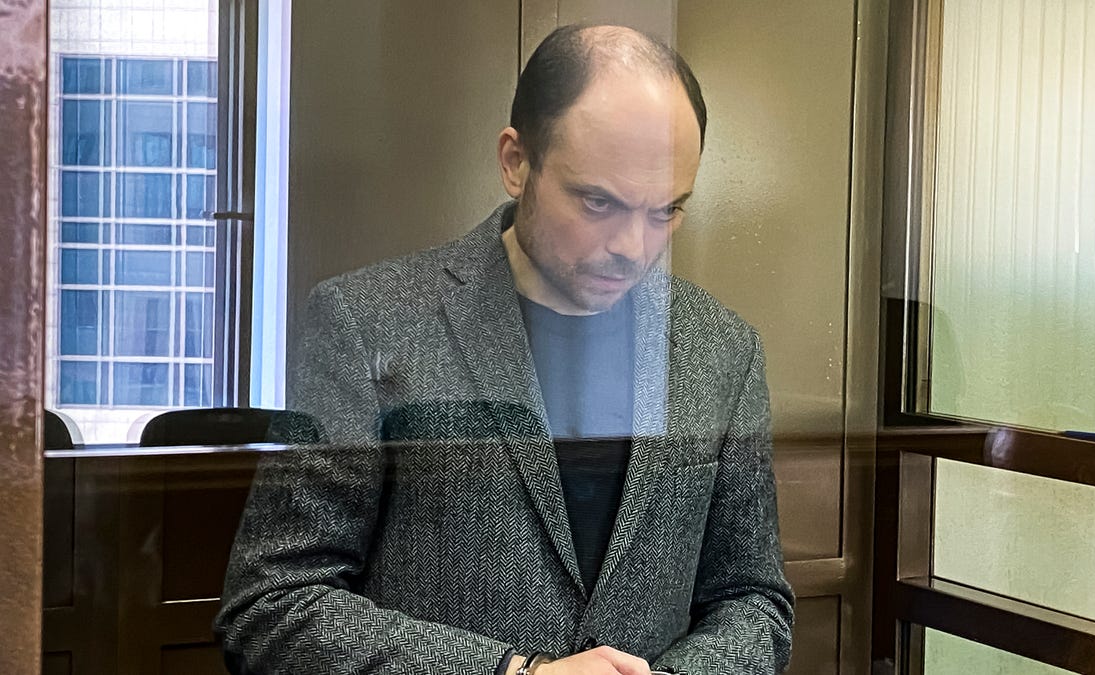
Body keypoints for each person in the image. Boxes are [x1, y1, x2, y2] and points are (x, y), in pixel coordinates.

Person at [215, 24, 794, 675]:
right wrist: (515, 673)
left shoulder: (722, 347)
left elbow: (753, 601)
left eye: (666, 210)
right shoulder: (368, 322)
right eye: (598, 202)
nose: (633, 247)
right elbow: (272, 605)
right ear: (516, 162)